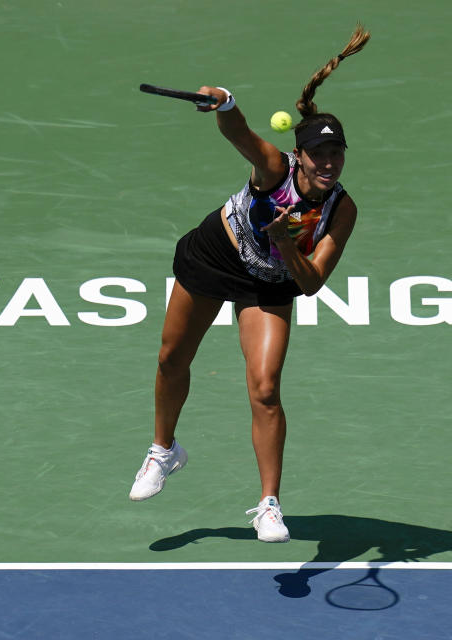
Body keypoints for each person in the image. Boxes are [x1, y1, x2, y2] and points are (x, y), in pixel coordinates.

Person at [130, 25, 370, 543]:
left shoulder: (341, 210)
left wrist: (285, 245)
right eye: (318, 156)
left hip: (271, 282)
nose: (328, 164)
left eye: (337, 155)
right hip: (214, 256)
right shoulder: (271, 169)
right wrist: (224, 101)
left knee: (265, 389)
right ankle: (164, 450)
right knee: (173, 358)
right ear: (299, 156)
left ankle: (267, 505)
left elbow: (311, 284)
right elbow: (239, 131)